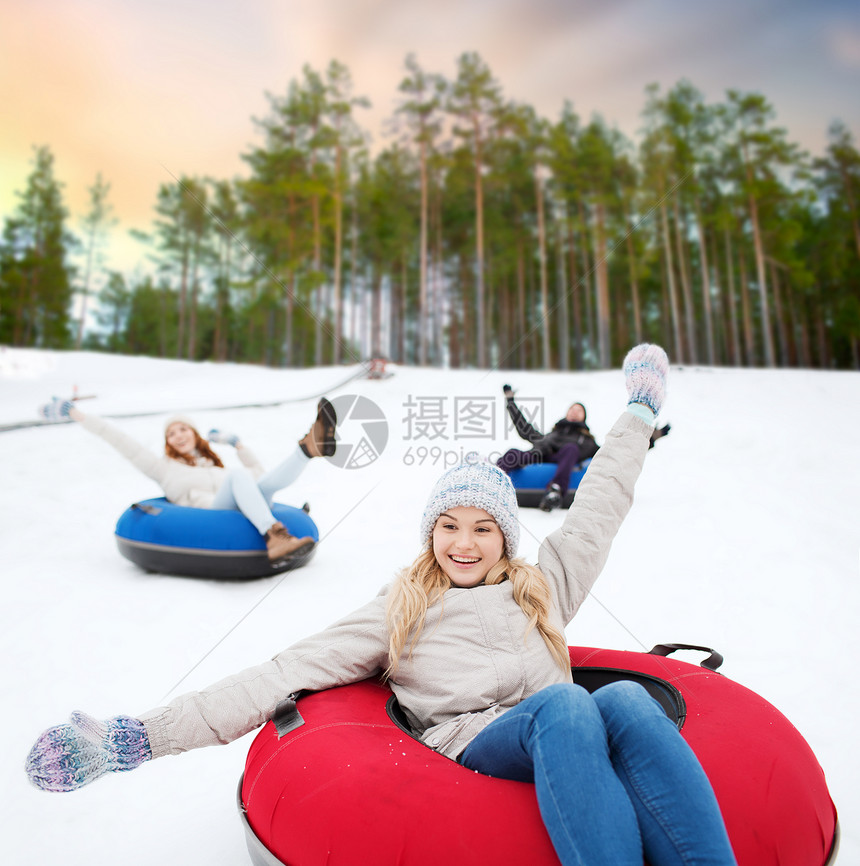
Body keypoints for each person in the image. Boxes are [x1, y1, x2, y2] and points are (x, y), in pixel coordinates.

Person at [25, 345, 737, 866]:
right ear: (432, 534)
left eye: (483, 528)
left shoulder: (543, 582)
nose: (465, 543)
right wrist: (138, 737)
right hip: (473, 744)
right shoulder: (403, 604)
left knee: (626, 705)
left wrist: (640, 407)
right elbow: (283, 671)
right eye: (449, 526)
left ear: (505, 536)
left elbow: (603, 501)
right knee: (571, 705)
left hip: (564, 733)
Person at [36, 396, 338, 564]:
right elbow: (119, 439)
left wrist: (238, 445)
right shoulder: (161, 467)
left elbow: (262, 480)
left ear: (194, 434)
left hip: (242, 507)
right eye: (171, 432)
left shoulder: (215, 464)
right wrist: (75, 413)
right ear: (167, 441)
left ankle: (308, 448)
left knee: (257, 482)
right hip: (207, 515)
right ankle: (274, 537)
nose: (178, 435)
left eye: (183, 429)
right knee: (239, 477)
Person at [498, 384, 671, 512]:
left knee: (571, 448)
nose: (574, 411)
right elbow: (523, 427)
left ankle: (555, 491)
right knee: (514, 452)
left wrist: (649, 438)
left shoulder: (587, 441)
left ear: (583, 417)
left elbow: (616, 452)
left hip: (567, 459)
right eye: (572, 409)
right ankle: (493, 479)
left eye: (578, 410)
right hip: (542, 455)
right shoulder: (549, 435)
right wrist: (510, 400)